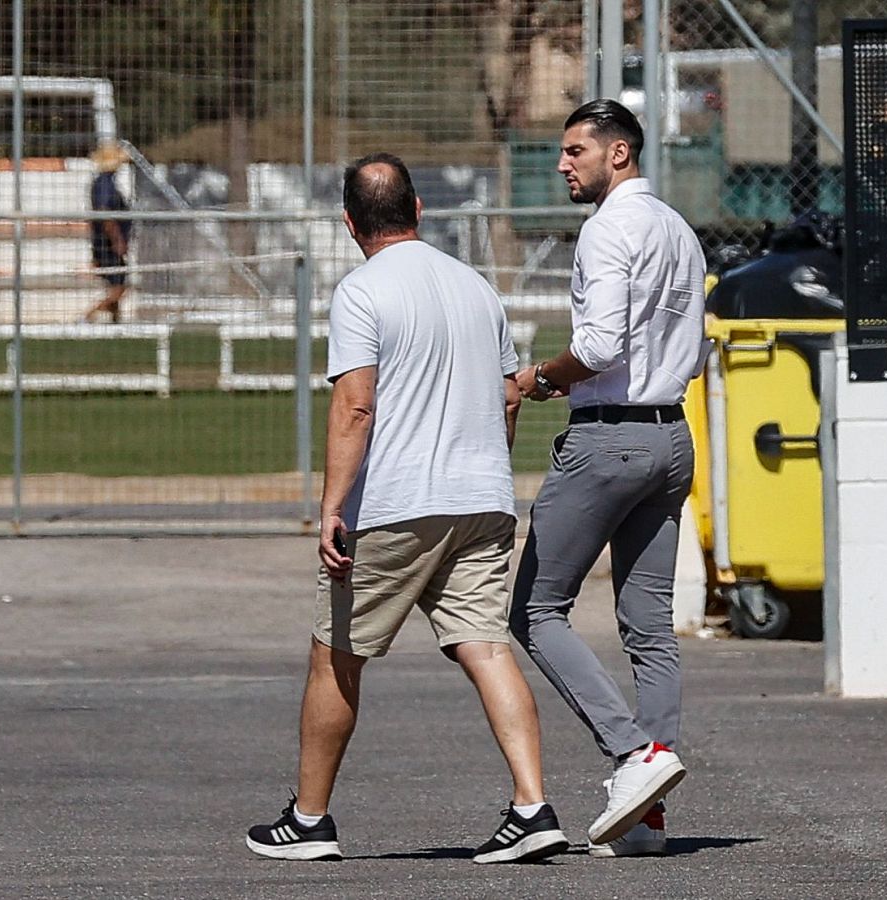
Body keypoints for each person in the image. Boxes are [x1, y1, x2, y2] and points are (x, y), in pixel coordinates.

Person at [245, 153, 567, 865]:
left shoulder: (362, 292)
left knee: (336, 655)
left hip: (396, 504)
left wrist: (333, 505)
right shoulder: (477, 287)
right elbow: (509, 394)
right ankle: (532, 803)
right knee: (485, 646)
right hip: (483, 499)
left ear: (349, 222)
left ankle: (309, 819)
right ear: (419, 211)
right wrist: (488, 464)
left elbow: (356, 404)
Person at [511, 99, 706, 858]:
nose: (563, 164)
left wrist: (540, 378)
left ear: (617, 154)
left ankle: (635, 756)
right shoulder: (678, 229)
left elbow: (596, 344)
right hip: (672, 436)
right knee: (649, 628)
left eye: (574, 152)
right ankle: (648, 821)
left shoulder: (608, 229)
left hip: (610, 438)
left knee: (533, 608)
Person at [84, 142, 133, 323]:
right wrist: (117, 240)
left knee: (117, 283)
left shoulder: (105, 183)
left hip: (104, 241)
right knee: (119, 287)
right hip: (107, 243)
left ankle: (116, 320)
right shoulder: (105, 184)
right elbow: (106, 215)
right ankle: (90, 315)